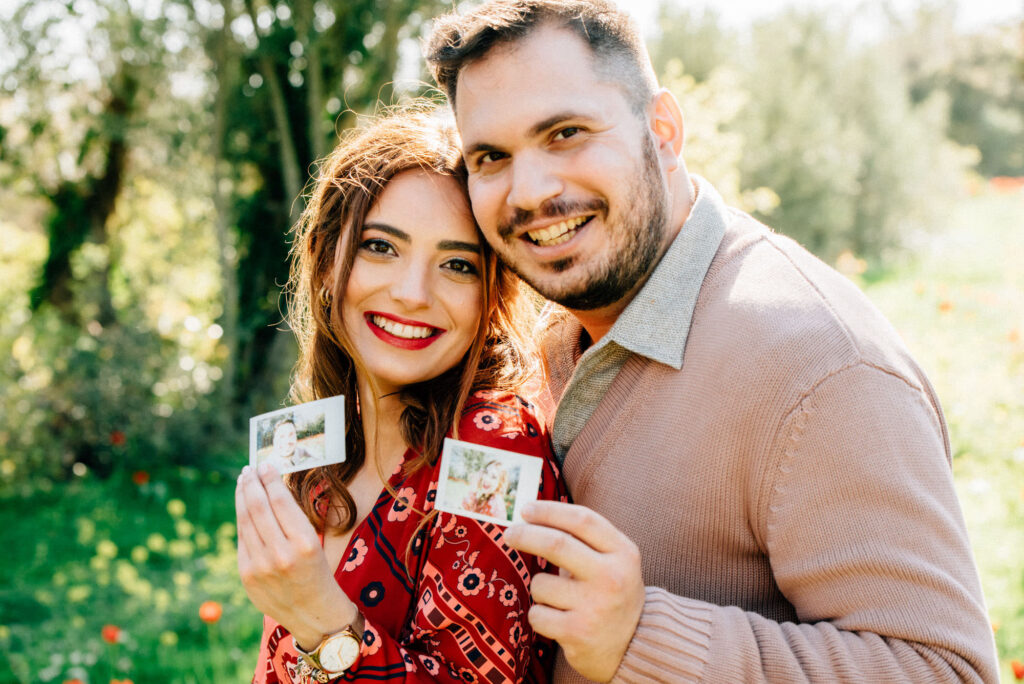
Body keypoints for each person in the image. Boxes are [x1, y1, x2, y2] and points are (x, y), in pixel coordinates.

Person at [424, 2, 1000, 682]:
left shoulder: (819, 366)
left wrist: (642, 639)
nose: (529, 191)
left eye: (566, 133)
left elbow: (946, 670)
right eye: (491, 157)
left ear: (663, 129)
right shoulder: (550, 329)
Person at [235, 106, 567, 684]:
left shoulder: (493, 449)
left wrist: (319, 616)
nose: (412, 293)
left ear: (493, 295)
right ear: (324, 256)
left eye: (458, 264)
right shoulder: (311, 435)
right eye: (381, 247)